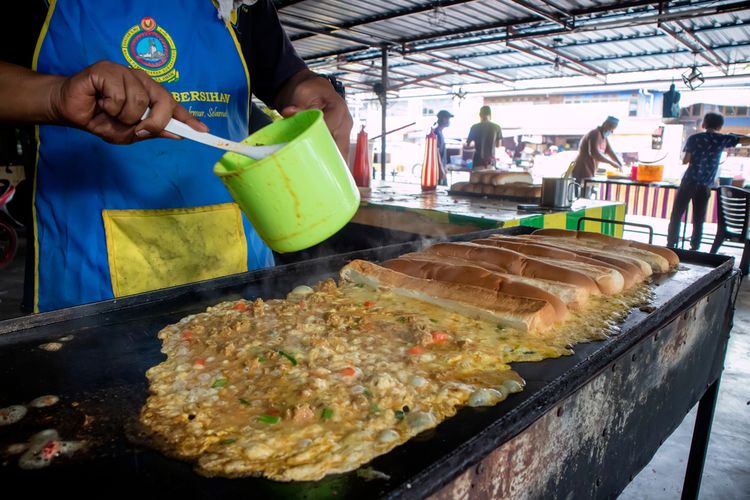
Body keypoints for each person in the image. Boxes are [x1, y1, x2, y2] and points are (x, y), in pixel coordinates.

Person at [3, 0, 352, 312]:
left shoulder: (245, 5)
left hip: (237, 264)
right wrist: (54, 95)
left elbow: (287, 77)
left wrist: (309, 86)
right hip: (90, 277)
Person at [667, 113, 750, 250]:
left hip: (688, 182)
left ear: (703, 124)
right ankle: (695, 247)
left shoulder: (694, 138)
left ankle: (671, 244)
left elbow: (685, 161)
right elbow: (747, 140)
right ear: (720, 126)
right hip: (705, 185)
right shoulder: (723, 139)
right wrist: (732, 135)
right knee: (698, 219)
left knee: (676, 215)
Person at [571, 116, 622, 184]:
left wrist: (619, 164)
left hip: (590, 171)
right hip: (582, 171)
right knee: (581, 193)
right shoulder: (595, 133)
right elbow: (594, 153)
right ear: (606, 124)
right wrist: (611, 163)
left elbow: (610, 151)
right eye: (611, 129)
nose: (612, 132)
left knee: (587, 192)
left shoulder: (604, 138)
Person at [435, 110, 452, 185]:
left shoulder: (440, 132)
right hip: (438, 170)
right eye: (448, 119)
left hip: (441, 168)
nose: (449, 121)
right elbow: (436, 152)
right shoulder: (436, 133)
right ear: (444, 119)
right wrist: (441, 169)